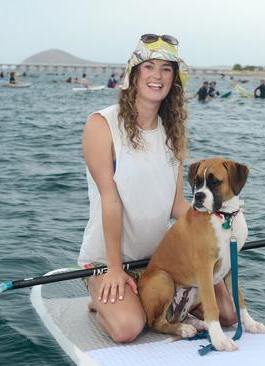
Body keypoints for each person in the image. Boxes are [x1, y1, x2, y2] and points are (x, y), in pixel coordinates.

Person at [78, 33, 237, 343]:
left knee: (228, 316)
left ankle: (142, 299)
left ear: (174, 80)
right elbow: (111, 202)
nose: (157, 76)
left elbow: (177, 204)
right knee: (128, 329)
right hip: (107, 259)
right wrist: (113, 269)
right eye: (149, 66)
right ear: (134, 75)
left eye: (166, 69)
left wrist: (222, 222)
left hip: (160, 260)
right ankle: (101, 296)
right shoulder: (101, 125)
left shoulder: (172, 133)